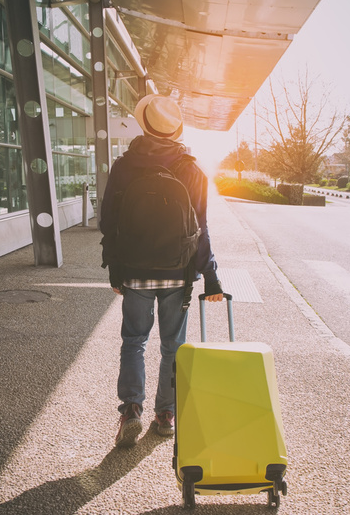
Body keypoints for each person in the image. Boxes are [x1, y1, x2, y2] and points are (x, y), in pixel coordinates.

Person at [100, 94, 223, 448]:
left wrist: (115, 269)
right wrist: (210, 276)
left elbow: (108, 223)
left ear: (144, 124)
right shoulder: (193, 169)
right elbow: (201, 228)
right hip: (179, 273)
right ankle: (166, 414)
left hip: (135, 271)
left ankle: (131, 410)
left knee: (133, 342)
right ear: (175, 130)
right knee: (173, 346)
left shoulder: (124, 167)